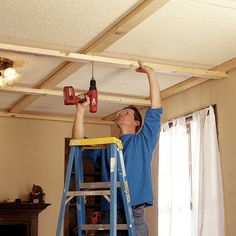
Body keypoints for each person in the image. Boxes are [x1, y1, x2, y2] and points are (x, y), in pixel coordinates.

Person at [72, 60, 162, 236]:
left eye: (127, 112)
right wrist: (80, 111)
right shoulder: (109, 148)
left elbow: (156, 109)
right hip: (109, 212)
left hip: (134, 213)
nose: (121, 112)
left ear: (137, 122)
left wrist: (151, 73)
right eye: (120, 112)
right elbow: (78, 143)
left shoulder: (143, 141)